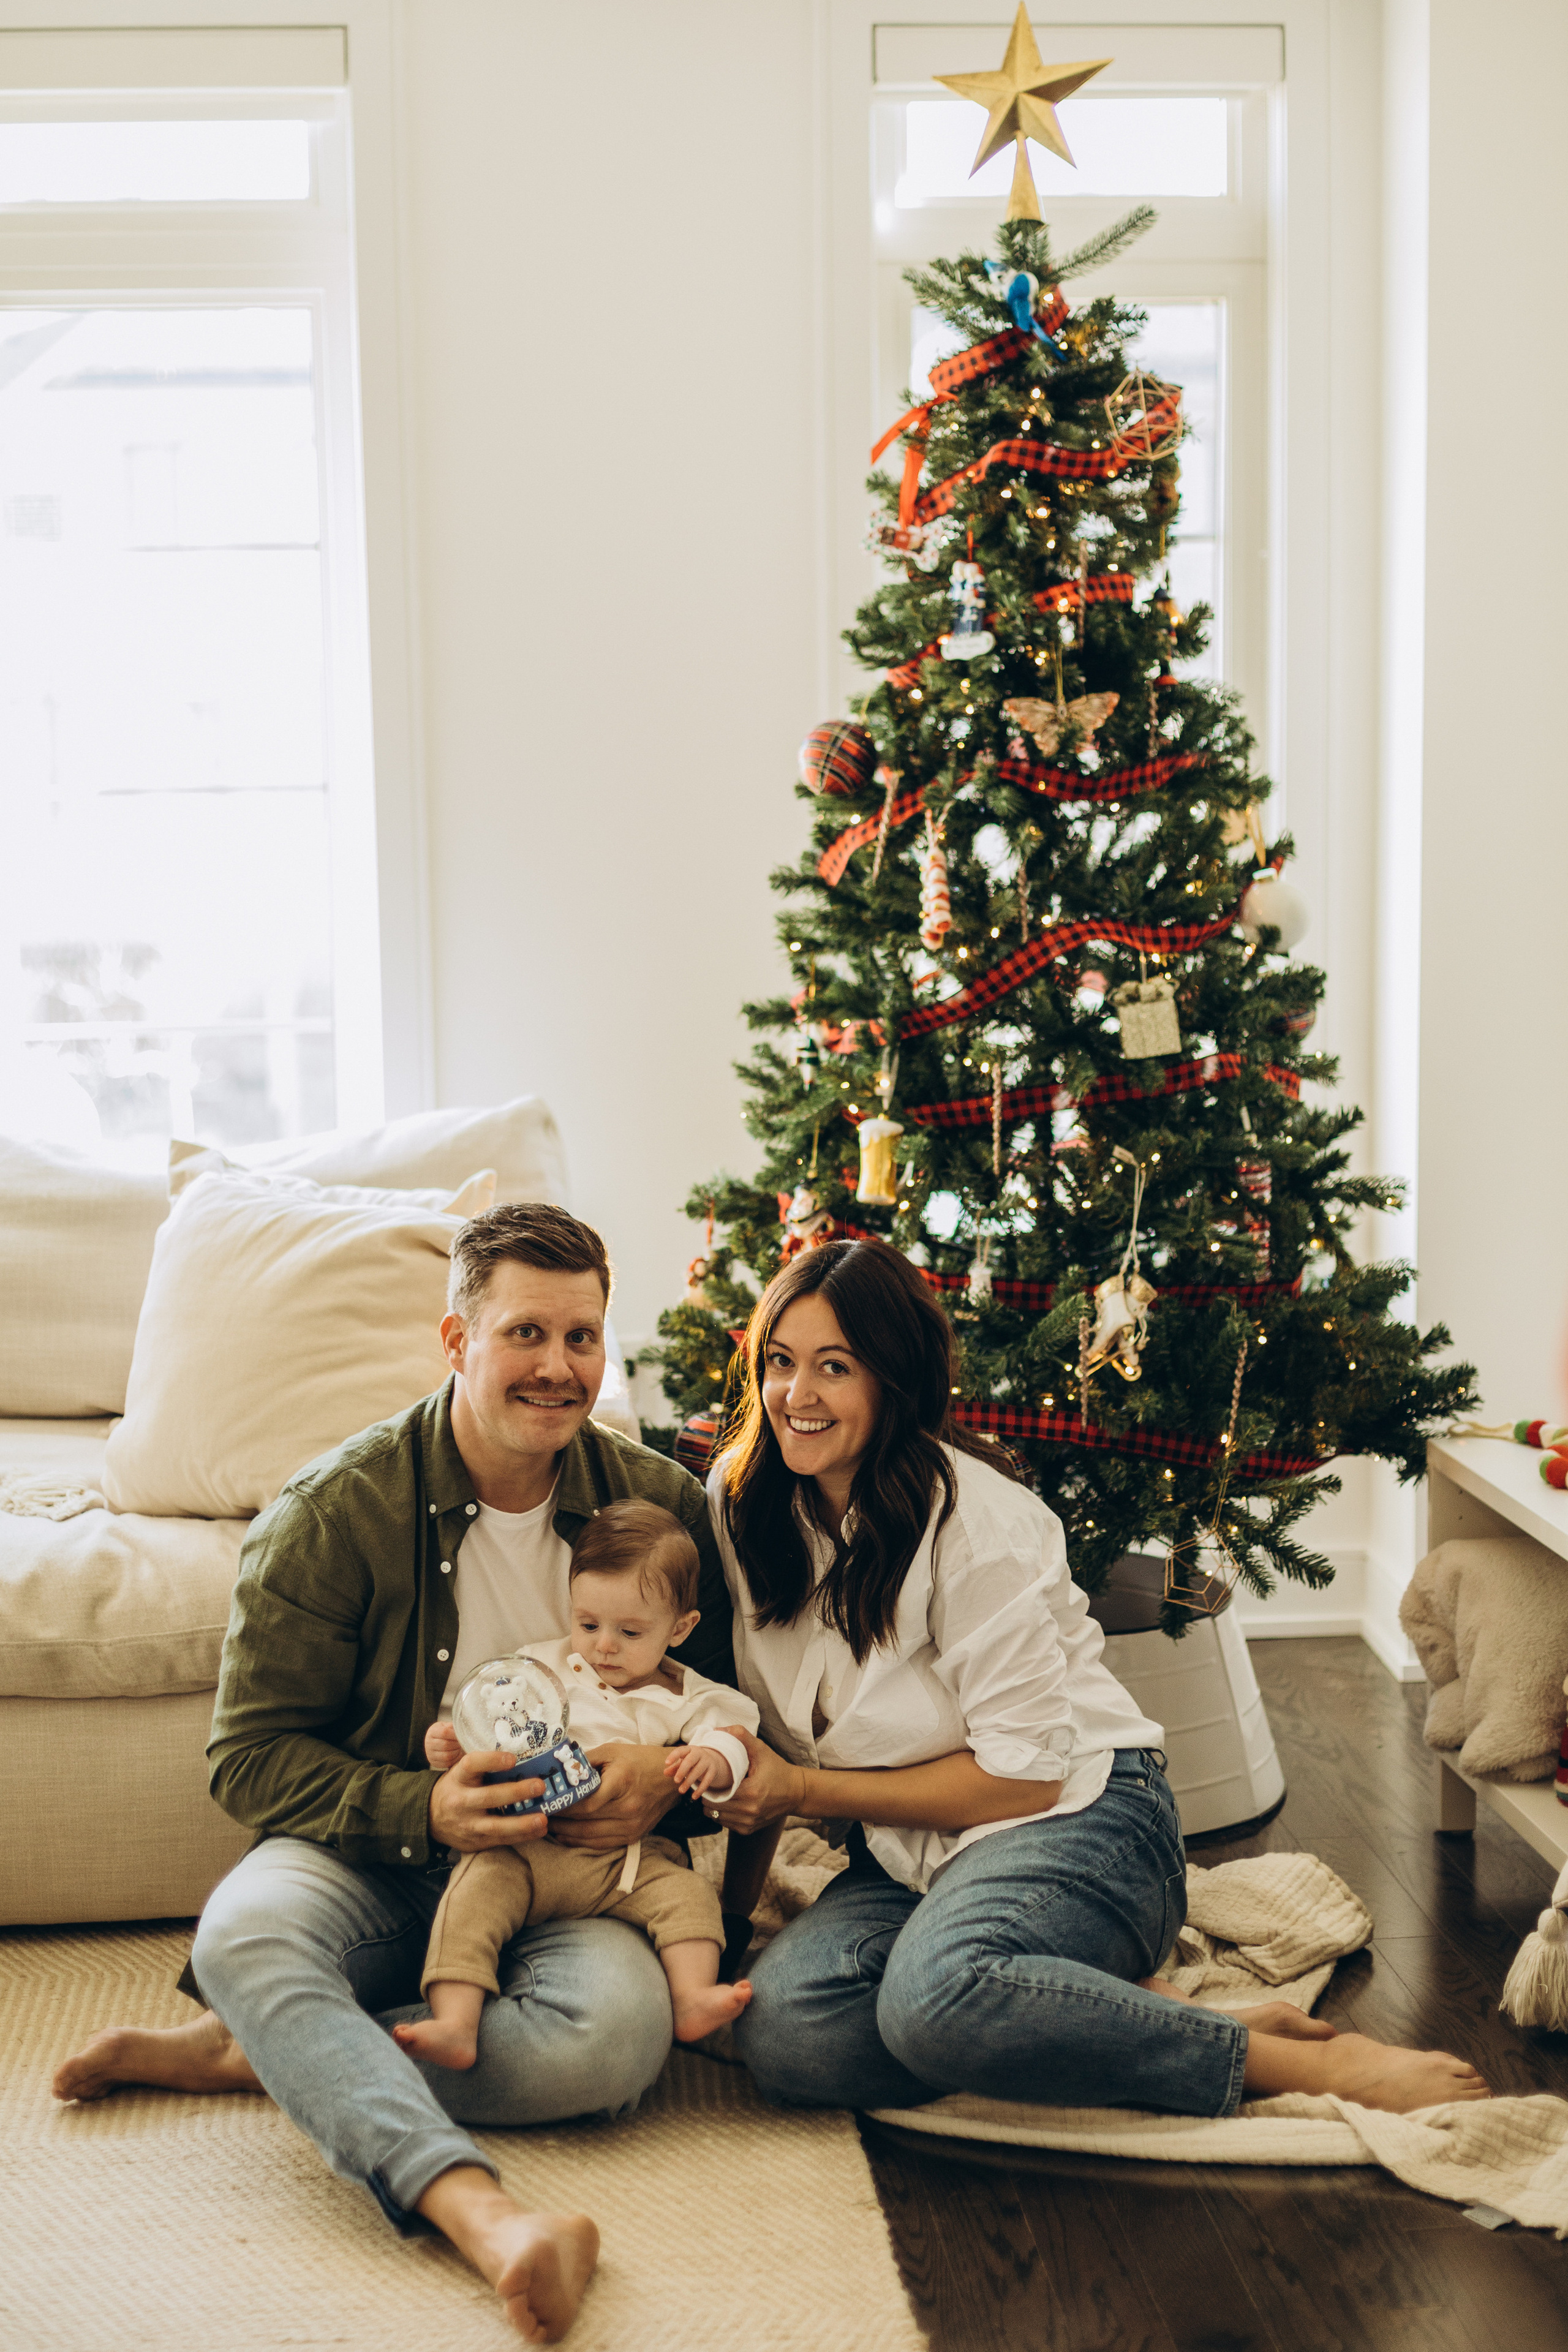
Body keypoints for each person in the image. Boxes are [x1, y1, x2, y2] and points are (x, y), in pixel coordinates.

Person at [53, 1202, 738, 2345]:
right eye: (525, 1333)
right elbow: (250, 1757)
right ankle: (488, 2221)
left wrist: (659, 1777)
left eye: (581, 1337)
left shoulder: (657, 1507)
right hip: (378, 1850)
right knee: (242, 1939)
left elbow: (720, 1721)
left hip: (579, 1876)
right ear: (457, 1340)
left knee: (614, 2043)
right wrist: (425, 1806)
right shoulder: (335, 1512)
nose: (558, 1367)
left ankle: (272, 2045)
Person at [703, 1237, 1493, 2122]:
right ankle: (1105, 2009)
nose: (795, 1396)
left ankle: (1288, 2064)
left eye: (834, 1367)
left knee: (934, 2003)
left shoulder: (976, 1525)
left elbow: (1025, 1778)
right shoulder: (742, 1502)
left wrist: (803, 1789)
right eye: (779, 1361)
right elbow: (757, 1747)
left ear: (895, 1379)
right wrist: (728, 1931)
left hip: (1082, 1816)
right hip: (908, 1848)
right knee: (787, 2033)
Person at [396, 1497, 761, 2070]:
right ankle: (455, 2021)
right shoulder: (540, 1670)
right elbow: (497, 1730)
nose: (603, 1645)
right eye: (587, 1624)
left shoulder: (690, 1696)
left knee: (690, 1897)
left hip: (628, 1863)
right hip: (527, 1848)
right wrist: (455, 1747)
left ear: (681, 1628)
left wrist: (713, 1759)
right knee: (470, 1895)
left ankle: (692, 1997)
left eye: (630, 1631)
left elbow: (737, 1735)